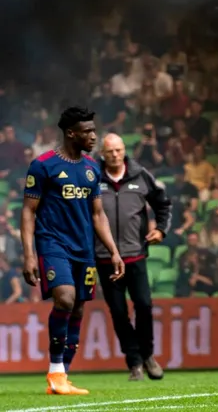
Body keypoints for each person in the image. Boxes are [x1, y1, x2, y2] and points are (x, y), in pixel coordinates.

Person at [21, 107, 125, 395]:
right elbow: (29, 212)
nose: (94, 136)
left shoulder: (92, 168)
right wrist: (29, 254)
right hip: (53, 244)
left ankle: (62, 376)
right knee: (65, 299)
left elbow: (98, 215)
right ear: (71, 134)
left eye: (94, 130)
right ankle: (55, 372)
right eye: (88, 132)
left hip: (85, 249)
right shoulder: (43, 166)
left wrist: (114, 251)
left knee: (78, 306)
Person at [96, 134, 172, 381]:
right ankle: (135, 362)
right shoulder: (92, 178)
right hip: (105, 258)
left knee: (144, 306)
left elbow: (163, 204)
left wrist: (161, 229)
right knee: (118, 313)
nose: (115, 155)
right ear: (102, 154)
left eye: (118, 150)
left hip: (135, 255)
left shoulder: (141, 175)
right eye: (110, 152)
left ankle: (148, 355)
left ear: (124, 150)